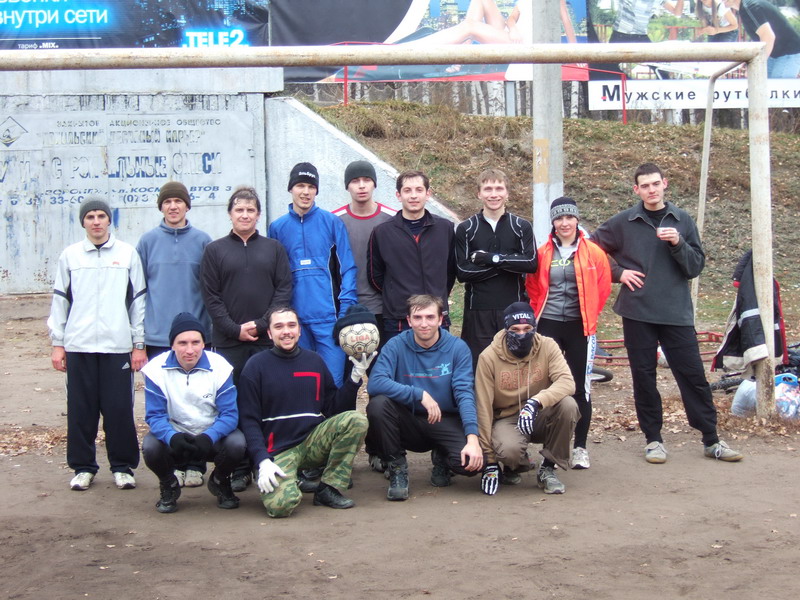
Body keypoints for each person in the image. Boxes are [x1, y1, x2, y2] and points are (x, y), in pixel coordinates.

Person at [591, 163, 743, 463]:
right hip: (637, 312)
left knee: (693, 376)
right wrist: (618, 273)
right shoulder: (623, 222)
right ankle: (654, 440)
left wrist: (678, 242)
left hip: (676, 312)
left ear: (665, 184)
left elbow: (695, 266)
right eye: (645, 185)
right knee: (644, 378)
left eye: (655, 184)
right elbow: (590, 248)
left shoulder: (682, 220)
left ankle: (711, 439)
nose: (651, 190)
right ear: (636, 190)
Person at [47, 198, 146, 491]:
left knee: (119, 410)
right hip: (79, 346)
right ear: (83, 222)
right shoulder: (70, 256)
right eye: (90, 216)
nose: (96, 221)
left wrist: (138, 343)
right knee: (81, 410)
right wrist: (58, 343)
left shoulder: (127, 254)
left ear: (109, 220)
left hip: (117, 347)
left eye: (101, 215)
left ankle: (123, 467)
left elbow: (138, 303)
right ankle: (83, 467)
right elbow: (60, 302)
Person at [236, 306, 372, 518]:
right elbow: (248, 421)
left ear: (299, 330)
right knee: (281, 506)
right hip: (278, 451)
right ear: (270, 333)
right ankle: (291, 481)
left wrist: (355, 378)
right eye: (279, 327)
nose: (286, 331)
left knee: (355, 420)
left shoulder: (314, 361)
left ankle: (329, 488)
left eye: (291, 325)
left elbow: (334, 409)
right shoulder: (255, 366)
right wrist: (262, 460)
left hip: (312, 442)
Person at [201, 186, 293, 491]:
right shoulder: (214, 251)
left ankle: (266, 460)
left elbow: (283, 290)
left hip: (266, 342)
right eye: (239, 210)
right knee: (235, 403)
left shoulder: (274, 249)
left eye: (250, 210)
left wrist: (263, 324)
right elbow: (211, 296)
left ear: (258, 215)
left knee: (268, 401)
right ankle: (239, 466)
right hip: (229, 344)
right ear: (230, 214)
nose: (244, 215)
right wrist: (233, 328)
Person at [366, 294, 484, 501]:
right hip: (407, 420)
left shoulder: (457, 348)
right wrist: (418, 394)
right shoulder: (395, 345)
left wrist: (472, 439)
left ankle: (443, 457)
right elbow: (375, 382)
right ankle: (397, 468)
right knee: (378, 405)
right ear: (409, 320)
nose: (424, 324)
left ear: (440, 319)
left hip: (444, 419)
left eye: (430, 317)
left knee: (470, 464)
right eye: (417, 317)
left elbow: (464, 393)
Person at [525, 197, 611, 470]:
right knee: (543, 384)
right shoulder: (543, 253)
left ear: (577, 220)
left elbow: (603, 287)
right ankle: (544, 446)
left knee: (579, 387)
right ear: (553, 222)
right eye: (559, 218)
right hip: (548, 324)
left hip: (579, 326)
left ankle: (581, 447)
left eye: (569, 217)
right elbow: (532, 286)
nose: (564, 223)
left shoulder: (594, 253)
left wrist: (590, 314)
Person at [137, 181, 212, 488]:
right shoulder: (147, 242)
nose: (172, 206)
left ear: (187, 206)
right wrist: (139, 339)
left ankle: (195, 464)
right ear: (161, 207)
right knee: (167, 405)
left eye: (178, 201)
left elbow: (210, 289)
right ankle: (174, 464)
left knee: (196, 403)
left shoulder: (203, 241)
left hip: (196, 338)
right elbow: (139, 291)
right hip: (158, 337)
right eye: (167, 202)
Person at [141, 313, 246, 513]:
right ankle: (168, 484)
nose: (190, 350)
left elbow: (230, 415)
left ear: (203, 343)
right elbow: (154, 416)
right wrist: (171, 437)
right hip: (175, 434)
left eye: (195, 342)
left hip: (211, 435)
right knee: (150, 447)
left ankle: (220, 480)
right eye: (182, 343)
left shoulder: (220, 366)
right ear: (172, 345)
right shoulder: (155, 370)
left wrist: (209, 436)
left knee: (237, 444)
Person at [268, 162, 358, 387]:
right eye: (300, 185)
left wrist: (344, 314)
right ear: (291, 188)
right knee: (301, 384)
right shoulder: (277, 228)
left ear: (316, 190)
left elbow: (348, 269)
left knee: (332, 383)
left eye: (311, 186)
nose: (306, 192)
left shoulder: (332, 223)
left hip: (330, 320)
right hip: (294, 322)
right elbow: (273, 276)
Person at [475, 303, 578, 495]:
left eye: (527, 328)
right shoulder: (488, 357)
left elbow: (567, 382)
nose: (522, 334)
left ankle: (548, 468)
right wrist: (490, 462)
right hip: (507, 418)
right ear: (506, 330)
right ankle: (517, 464)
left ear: (535, 327)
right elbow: (483, 407)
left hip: (540, 412)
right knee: (509, 451)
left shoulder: (548, 345)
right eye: (515, 330)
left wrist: (536, 402)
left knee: (568, 405)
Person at [455, 168, 537, 369]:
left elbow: (531, 263)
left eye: (499, 188)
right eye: (488, 189)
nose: (494, 194)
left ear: (507, 193)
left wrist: (490, 259)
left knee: (514, 364)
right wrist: (508, 263)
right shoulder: (466, 228)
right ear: (479, 193)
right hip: (478, 309)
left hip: (513, 307)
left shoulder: (522, 226)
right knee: (479, 365)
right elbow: (463, 272)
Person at [367, 171, 456, 342]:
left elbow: (450, 270)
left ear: (428, 194)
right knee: (399, 360)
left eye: (419, 190)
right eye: (407, 190)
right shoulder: (382, 232)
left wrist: (438, 293)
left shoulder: (445, 228)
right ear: (398, 195)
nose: (413, 196)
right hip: (398, 316)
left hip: (436, 314)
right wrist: (395, 294)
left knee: (438, 359)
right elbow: (374, 275)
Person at [332, 160, 397, 341]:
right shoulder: (334, 220)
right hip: (346, 307)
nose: (361, 186)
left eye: (367, 180)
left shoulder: (392, 218)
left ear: (374, 184)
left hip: (383, 308)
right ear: (347, 186)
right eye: (355, 181)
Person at [725, 0, 800, 78]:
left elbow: (768, 37)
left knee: (775, 85)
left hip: (788, 54)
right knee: (764, 85)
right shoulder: (747, 7)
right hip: (776, 54)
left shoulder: (750, 7)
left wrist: (755, 64)